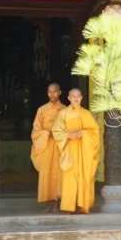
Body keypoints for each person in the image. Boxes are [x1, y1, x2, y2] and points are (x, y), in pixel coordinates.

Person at [52, 88, 100, 214]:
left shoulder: (86, 114)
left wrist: (82, 133)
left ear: (82, 98)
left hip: (84, 151)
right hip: (69, 150)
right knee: (69, 178)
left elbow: (94, 132)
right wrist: (67, 135)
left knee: (83, 177)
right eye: (73, 96)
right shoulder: (63, 114)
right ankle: (69, 206)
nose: (75, 98)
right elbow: (56, 131)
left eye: (78, 96)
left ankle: (82, 205)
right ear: (68, 98)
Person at [30, 83, 66, 213]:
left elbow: (69, 128)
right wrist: (46, 133)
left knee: (59, 174)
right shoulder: (42, 110)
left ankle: (58, 203)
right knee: (47, 174)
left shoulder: (65, 109)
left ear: (60, 93)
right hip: (45, 145)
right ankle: (50, 203)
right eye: (50, 92)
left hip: (59, 146)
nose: (52, 95)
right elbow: (36, 129)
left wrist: (57, 133)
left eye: (55, 92)